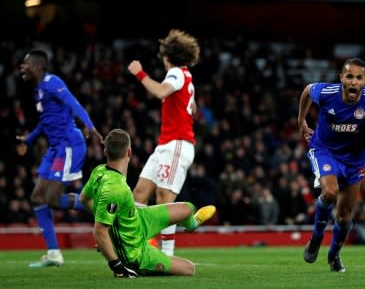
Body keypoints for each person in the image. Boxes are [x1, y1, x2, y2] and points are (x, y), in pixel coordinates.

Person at [298, 58, 365, 273]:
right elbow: (306, 91)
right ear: (342, 78)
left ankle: (334, 255)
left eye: (359, 78)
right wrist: (301, 120)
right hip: (325, 152)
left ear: (364, 81)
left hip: (354, 161)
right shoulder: (326, 92)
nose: (354, 81)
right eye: (349, 76)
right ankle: (316, 238)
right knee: (330, 192)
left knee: (344, 216)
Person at [79, 128, 216, 277]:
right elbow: (99, 231)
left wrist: (106, 223)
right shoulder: (116, 189)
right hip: (134, 250)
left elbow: (84, 199)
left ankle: (192, 224)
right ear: (129, 152)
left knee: (187, 208)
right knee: (189, 268)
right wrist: (117, 266)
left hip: (139, 220)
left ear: (105, 152)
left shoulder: (99, 171)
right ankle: (143, 263)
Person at [16, 49, 103, 268]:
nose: (21, 67)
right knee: (37, 197)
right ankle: (53, 253)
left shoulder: (52, 82)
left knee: (53, 199)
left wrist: (90, 126)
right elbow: (46, 121)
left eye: (25, 64)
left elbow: (74, 104)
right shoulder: (38, 91)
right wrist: (30, 139)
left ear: (37, 66)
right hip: (55, 149)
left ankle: (97, 205)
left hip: (69, 146)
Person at [127, 29, 200, 256]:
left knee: (164, 200)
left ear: (168, 57)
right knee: (139, 193)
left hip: (177, 144)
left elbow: (160, 92)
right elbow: (193, 108)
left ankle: (167, 256)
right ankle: (136, 245)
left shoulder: (177, 74)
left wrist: (140, 74)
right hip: (167, 144)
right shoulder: (187, 77)